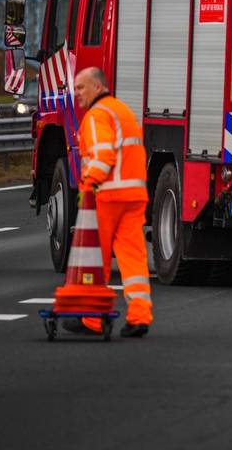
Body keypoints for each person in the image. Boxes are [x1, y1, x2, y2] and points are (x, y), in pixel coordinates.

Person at [68, 67, 153, 338]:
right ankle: (139, 316)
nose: (76, 93)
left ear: (97, 87)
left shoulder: (96, 115)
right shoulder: (122, 111)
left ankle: (93, 319)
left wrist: (88, 184)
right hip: (134, 195)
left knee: (95, 260)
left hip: (107, 195)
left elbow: (103, 155)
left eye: (81, 87)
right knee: (133, 259)